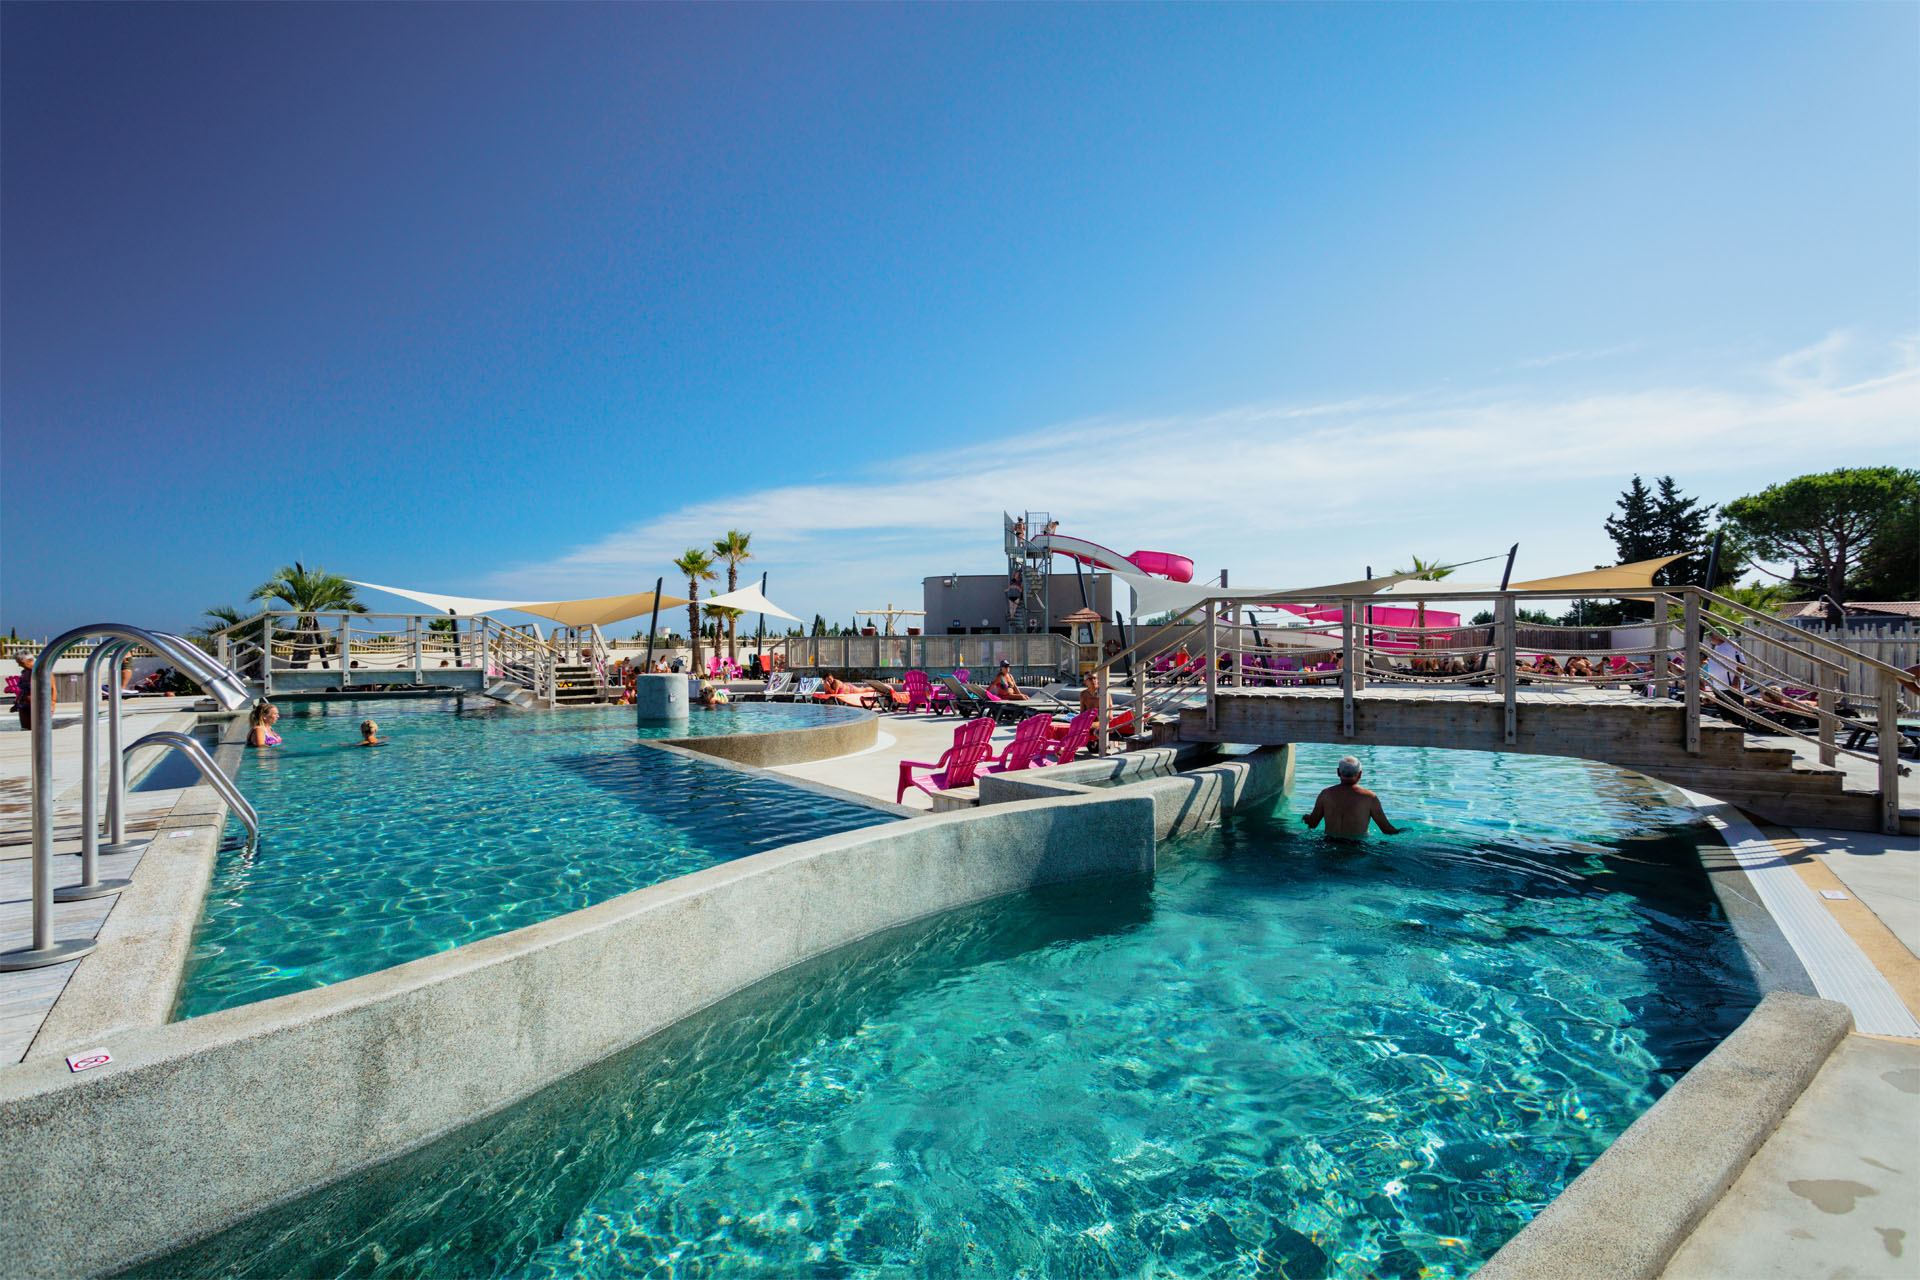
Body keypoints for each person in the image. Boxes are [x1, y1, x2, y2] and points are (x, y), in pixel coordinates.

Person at [1302, 756, 1401, 838]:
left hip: (1329, 843)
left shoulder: (1325, 794)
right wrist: (1403, 831)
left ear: (1338, 772)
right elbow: (1386, 830)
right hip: (1357, 847)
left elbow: (1313, 824)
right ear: (1360, 774)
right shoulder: (1369, 797)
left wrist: (1306, 818)